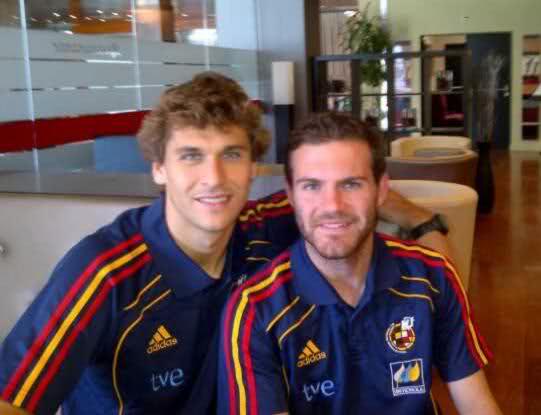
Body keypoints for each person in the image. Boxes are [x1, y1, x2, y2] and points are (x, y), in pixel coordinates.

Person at [0, 73, 449, 415]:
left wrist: (426, 223)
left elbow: (346, 196)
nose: (214, 178)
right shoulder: (105, 271)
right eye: (191, 156)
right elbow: (12, 399)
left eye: (231, 155)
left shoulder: (261, 228)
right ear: (159, 168)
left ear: (253, 166)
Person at [218, 112, 502, 415]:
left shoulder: (432, 274)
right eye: (311, 186)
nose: (332, 206)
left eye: (351, 184)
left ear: (381, 190)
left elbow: (477, 404)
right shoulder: (255, 309)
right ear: (290, 195)